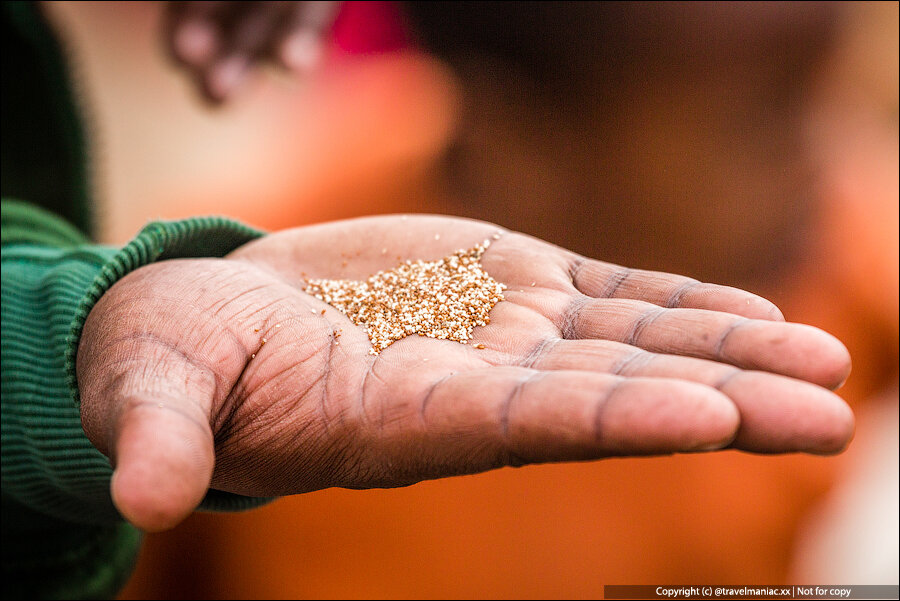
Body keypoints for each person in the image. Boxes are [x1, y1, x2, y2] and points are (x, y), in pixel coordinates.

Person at [1, 2, 856, 598]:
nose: (830, 155)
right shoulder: (263, 289)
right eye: (762, 122)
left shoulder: (835, 250)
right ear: (520, 139)